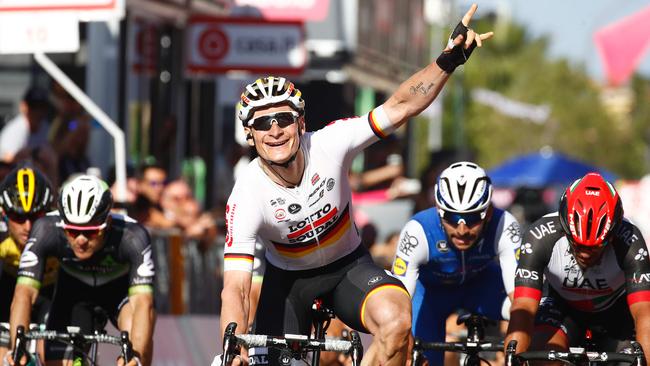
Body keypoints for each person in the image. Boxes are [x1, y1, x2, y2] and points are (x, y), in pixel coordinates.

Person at [217, 5, 493, 366]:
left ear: (301, 123)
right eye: (262, 123)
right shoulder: (247, 192)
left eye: (283, 118)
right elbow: (235, 286)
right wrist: (232, 342)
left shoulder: (331, 142)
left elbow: (401, 106)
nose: (274, 130)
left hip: (349, 267)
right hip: (288, 285)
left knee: (397, 323)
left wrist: (447, 61)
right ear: (250, 136)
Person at [7, 175, 155, 366]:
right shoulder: (46, 229)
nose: (81, 240)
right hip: (74, 293)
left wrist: (137, 356)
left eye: (91, 231)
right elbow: (24, 294)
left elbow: (143, 304)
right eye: (73, 231)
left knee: (136, 346)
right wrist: (17, 348)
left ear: (107, 223)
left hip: (119, 294)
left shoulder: (133, 236)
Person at [505, 172, 650, 361]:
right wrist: (512, 360)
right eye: (578, 244)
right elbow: (523, 308)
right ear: (565, 228)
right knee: (542, 356)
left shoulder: (631, 241)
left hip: (616, 312)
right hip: (562, 307)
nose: (584, 253)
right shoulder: (539, 237)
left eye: (595, 247)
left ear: (612, 235)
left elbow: (644, 312)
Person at [391, 161, 521, 365]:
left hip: (481, 287)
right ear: (438, 209)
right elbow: (398, 306)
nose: (462, 230)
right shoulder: (417, 231)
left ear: (487, 212)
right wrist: (408, 352)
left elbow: (521, 299)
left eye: (472, 218)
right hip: (431, 296)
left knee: (535, 314)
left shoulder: (505, 225)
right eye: (451, 217)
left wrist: (516, 350)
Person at [0, 164, 57, 362]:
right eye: (18, 216)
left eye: (35, 216)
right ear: (4, 213)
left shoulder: (60, 232)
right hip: (6, 290)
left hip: (51, 293)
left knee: (51, 355)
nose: (28, 226)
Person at [0, 86, 51, 163]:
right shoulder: (15, 129)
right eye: (33, 106)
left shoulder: (45, 126)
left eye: (42, 106)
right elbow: (6, 160)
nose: (38, 111)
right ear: (23, 106)